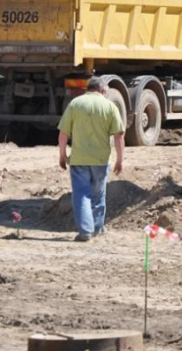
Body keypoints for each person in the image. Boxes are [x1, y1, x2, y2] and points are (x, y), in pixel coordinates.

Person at [57, 76, 125, 242]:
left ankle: (86, 231)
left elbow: (63, 133)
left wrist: (62, 155)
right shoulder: (110, 106)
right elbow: (119, 135)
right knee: (98, 194)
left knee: (81, 195)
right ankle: (97, 227)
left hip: (79, 159)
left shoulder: (75, 104)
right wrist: (120, 159)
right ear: (102, 91)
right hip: (100, 160)